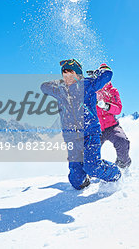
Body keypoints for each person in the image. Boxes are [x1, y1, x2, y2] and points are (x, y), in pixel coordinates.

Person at [40, 59, 121, 190]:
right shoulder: (61, 90)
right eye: (64, 74)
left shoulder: (88, 84)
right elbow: (44, 87)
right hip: (72, 138)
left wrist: (98, 73)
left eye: (71, 73)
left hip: (90, 133)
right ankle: (85, 181)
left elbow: (108, 74)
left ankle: (115, 173)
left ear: (78, 74)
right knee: (76, 180)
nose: (67, 77)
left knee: (92, 167)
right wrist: (58, 85)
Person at [95, 63, 132, 168]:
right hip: (97, 129)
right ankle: (90, 171)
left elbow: (118, 109)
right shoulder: (93, 90)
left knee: (122, 142)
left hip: (112, 126)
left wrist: (106, 106)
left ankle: (122, 165)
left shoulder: (113, 91)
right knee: (89, 149)